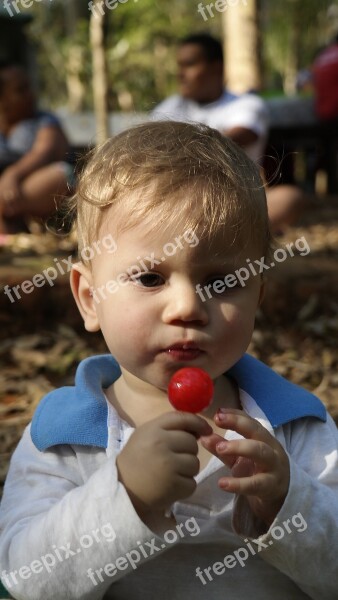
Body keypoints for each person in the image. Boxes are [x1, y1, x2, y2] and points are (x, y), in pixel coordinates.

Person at [0, 121, 338, 600]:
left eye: (221, 280)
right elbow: (26, 580)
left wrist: (288, 503)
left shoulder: (297, 426)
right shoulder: (64, 437)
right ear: (90, 298)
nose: (187, 307)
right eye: (150, 279)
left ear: (258, 295)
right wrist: (125, 497)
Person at [152, 33, 306, 233]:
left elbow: (236, 138)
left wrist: (173, 148)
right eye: (179, 66)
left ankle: (216, 236)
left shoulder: (247, 105)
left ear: (216, 68)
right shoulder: (170, 106)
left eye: (189, 65)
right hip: (172, 200)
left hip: (232, 204)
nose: (180, 74)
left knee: (289, 198)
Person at [0, 63, 74, 234]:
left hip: (30, 186)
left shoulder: (45, 121)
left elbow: (44, 151)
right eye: (20, 90)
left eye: (28, 87)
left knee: (61, 174)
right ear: (2, 98)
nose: (30, 94)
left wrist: (12, 175)